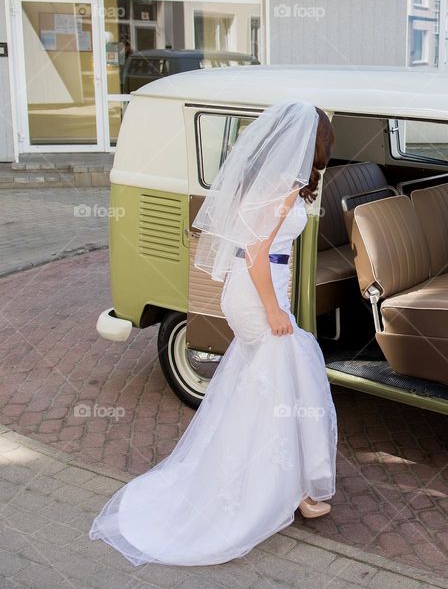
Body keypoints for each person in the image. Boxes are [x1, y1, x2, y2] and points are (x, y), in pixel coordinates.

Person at [89, 100, 338, 566]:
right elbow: (256, 254)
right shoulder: (283, 188)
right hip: (259, 292)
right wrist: (273, 309)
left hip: (250, 291)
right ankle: (279, 487)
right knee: (287, 371)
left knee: (265, 379)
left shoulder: (261, 180)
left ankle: (286, 481)